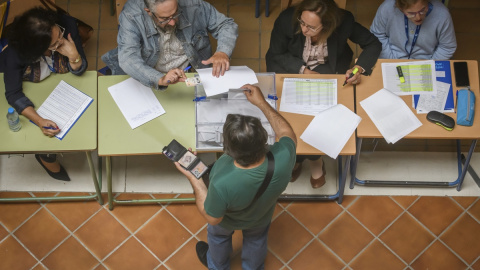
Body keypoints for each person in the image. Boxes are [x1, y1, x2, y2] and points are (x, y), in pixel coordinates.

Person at [174, 84, 297, 269]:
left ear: (228, 149)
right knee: (256, 239)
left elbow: (212, 217)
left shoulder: (222, 183)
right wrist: (262, 103)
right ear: (264, 138)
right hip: (261, 216)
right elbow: (287, 133)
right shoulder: (284, 156)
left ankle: (217, 265)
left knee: (218, 236)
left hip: (226, 221)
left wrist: (194, 178)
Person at [265, 0, 381, 188]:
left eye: (311, 27)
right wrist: (303, 71)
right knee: (295, 118)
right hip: (293, 69)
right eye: (302, 22)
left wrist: (359, 68)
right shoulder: (287, 20)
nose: (303, 29)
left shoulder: (344, 22)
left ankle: (311, 160)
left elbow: (373, 44)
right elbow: (275, 55)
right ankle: (305, 159)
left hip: (329, 70)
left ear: (327, 26)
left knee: (318, 119)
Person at [0, 7, 88, 181]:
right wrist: (39, 121)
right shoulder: (15, 54)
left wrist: (74, 57)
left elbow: (80, 70)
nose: (61, 42)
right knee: (41, 131)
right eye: (55, 44)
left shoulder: (67, 28)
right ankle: (45, 156)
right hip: (31, 84)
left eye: (60, 35)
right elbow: (13, 94)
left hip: (63, 85)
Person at [101, 0, 238, 90]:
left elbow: (226, 25)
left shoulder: (193, 4)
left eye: (175, 14)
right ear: (149, 12)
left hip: (187, 74)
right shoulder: (131, 15)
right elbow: (128, 58)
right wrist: (160, 78)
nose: (172, 23)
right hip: (149, 74)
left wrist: (223, 52)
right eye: (165, 19)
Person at [370, 0, 457, 60]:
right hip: (392, 57)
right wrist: (391, 60)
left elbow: (447, 47)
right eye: (411, 13)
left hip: (427, 61)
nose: (418, 17)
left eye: (422, 10)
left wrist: (430, 65)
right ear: (401, 9)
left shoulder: (442, 14)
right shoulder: (387, 8)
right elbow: (376, 35)